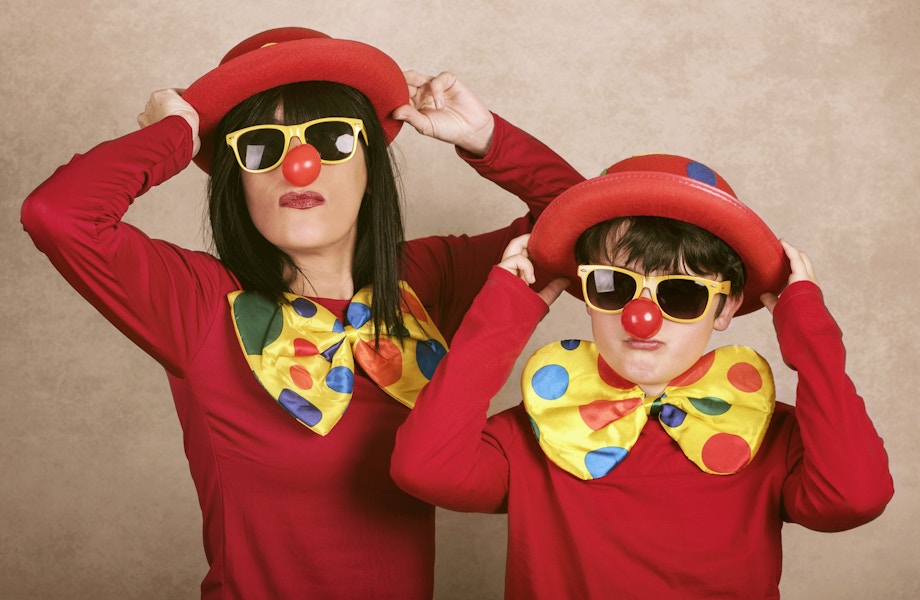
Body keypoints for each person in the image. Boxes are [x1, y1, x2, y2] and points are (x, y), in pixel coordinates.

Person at [20, 26, 584, 599]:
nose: (301, 165)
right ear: (236, 183)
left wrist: (489, 138)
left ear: (372, 167)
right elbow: (58, 215)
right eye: (261, 147)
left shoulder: (426, 280)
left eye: (333, 138)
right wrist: (178, 133)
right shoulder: (200, 304)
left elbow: (592, 231)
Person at [391, 153, 894, 598]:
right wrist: (501, 317)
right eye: (614, 286)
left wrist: (815, 346)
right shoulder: (541, 431)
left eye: (681, 293)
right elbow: (424, 467)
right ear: (587, 295)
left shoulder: (769, 435)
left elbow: (852, 499)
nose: (641, 317)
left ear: (726, 307)